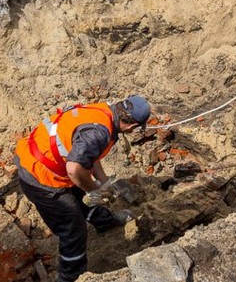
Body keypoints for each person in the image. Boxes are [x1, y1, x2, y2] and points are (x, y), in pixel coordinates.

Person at [14, 95, 151, 282]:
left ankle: (104, 221)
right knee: (73, 229)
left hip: (34, 156)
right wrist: (93, 190)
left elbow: (88, 154)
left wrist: (102, 182)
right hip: (39, 178)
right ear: (132, 126)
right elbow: (75, 168)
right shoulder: (99, 132)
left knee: (80, 191)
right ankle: (70, 277)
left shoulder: (103, 112)